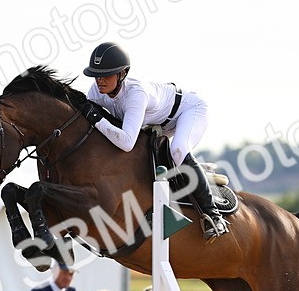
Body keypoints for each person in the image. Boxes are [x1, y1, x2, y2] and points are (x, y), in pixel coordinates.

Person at [78, 42, 230, 241]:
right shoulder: (96, 92)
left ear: (122, 74)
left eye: (106, 75)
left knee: (178, 150)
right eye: (96, 75)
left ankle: (213, 216)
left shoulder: (135, 94)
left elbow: (126, 142)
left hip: (188, 111)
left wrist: (97, 120)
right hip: (156, 123)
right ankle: (200, 172)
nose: (99, 81)